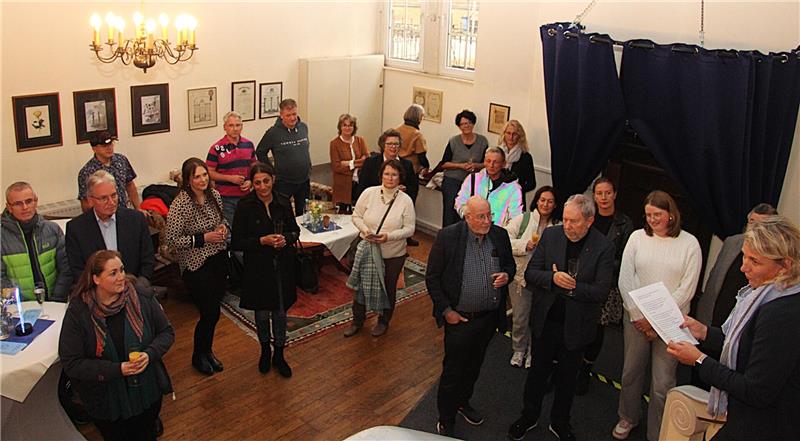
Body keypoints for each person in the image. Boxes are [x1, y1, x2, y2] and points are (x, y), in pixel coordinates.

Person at [667, 216, 800, 441]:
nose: (743, 267)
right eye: (744, 256)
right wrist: (704, 332)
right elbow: (745, 345)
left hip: (765, 427)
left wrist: (699, 360)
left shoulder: (782, 313)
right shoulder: (767, 294)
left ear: (785, 265)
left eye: (754, 261)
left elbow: (756, 391)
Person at [508, 194, 615, 441]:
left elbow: (601, 291)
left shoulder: (604, 247)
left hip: (577, 326)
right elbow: (533, 273)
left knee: (567, 379)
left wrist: (572, 287)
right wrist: (552, 279)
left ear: (590, 220)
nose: (567, 226)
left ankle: (560, 422)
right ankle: (529, 416)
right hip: (546, 321)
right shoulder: (551, 235)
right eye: (565, 219)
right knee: (537, 375)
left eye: (574, 221)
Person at [613, 190, 702, 441]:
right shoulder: (637, 238)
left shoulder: (690, 244)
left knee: (663, 382)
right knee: (631, 372)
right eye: (649, 215)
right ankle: (627, 416)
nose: (652, 219)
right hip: (636, 320)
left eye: (658, 215)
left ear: (671, 215)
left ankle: (659, 431)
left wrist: (657, 319)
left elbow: (687, 289)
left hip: (672, 324)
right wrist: (638, 314)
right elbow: (625, 278)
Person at [58, 250, 174, 441]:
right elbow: (72, 362)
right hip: (106, 402)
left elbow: (166, 333)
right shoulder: (79, 313)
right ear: (95, 279)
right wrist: (117, 369)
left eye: (121, 270)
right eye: (113, 273)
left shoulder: (141, 297)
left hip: (147, 394)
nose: (121, 277)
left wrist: (150, 354)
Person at [426, 196, 515, 437]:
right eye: (481, 216)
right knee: (453, 371)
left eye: (489, 215)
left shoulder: (500, 235)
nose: (487, 221)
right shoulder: (448, 237)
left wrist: (507, 275)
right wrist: (447, 312)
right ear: (467, 217)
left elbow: (510, 266)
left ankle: (463, 403)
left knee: (474, 367)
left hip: (487, 319)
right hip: (459, 321)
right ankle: (446, 417)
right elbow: (432, 278)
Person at [231, 162, 298, 378]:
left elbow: (295, 231)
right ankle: (264, 352)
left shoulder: (283, 202)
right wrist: (262, 241)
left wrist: (284, 239)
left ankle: (279, 353)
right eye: (257, 182)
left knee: (280, 311)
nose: (262, 187)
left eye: (266, 181)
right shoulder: (245, 205)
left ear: (273, 179)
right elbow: (238, 241)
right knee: (261, 313)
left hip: (282, 265)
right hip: (258, 267)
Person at [164, 158, 228, 376]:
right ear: (188, 180)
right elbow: (171, 240)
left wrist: (222, 229)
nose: (202, 180)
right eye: (197, 177)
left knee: (214, 312)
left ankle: (207, 351)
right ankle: (197, 356)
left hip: (218, 259)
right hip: (195, 265)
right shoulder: (180, 204)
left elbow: (223, 220)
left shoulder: (215, 196)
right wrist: (202, 238)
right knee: (209, 312)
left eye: (204, 175)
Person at [575, 177, 634, 395]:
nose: (603, 198)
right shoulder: (587, 217)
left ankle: (586, 370)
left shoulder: (624, 224)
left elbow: (626, 258)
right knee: (576, 321)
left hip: (606, 284)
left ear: (615, 194)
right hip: (580, 279)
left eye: (608, 193)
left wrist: (600, 263)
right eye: (599, 193)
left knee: (597, 328)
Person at [344, 159, 415, 338]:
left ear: (400, 177)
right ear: (381, 175)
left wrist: (388, 237)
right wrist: (366, 231)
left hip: (393, 254)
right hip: (367, 249)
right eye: (386, 174)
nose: (390, 178)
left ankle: (383, 321)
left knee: (388, 288)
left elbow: (409, 229)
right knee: (361, 286)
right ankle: (357, 321)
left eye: (394, 174)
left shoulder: (406, 201)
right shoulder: (369, 193)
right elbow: (357, 216)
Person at [503, 186, 558, 368]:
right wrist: (523, 245)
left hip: (543, 282)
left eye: (550, 201)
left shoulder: (558, 226)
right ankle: (519, 349)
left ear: (555, 204)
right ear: (536, 200)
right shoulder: (524, 219)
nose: (545, 204)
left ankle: (533, 352)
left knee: (538, 320)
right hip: (520, 279)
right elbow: (505, 239)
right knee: (520, 317)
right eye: (542, 200)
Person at [66, 170, 154, 285]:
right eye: (104, 198)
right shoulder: (76, 228)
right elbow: (78, 270)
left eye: (114, 195)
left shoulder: (136, 220)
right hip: (97, 294)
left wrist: (139, 286)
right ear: (91, 200)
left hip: (134, 288)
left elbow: (148, 260)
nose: (111, 202)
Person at [696, 203, 778, 327]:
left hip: (742, 320)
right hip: (713, 316)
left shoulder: (774, 257)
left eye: (762, 225)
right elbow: (714, 279)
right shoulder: (732, 242)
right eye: (752, 222)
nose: (755, 228)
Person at [2, 181, 71, 301]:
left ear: (36, 201)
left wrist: (57, 299)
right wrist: (22, 305)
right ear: (9, 207)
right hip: (18, 308)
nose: (25, 207)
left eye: (29, 201)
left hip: (55, 302)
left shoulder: (53, 230)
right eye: (18, 204)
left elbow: (66, 268)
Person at [255, 98, 311, 216]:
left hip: (304, 180)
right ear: (281, 115)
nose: (292, 118)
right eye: (288, 115)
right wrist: (271, 171)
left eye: (294, 114)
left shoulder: (303, 128)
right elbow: (260, 151)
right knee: (282, 213)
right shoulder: (273, 132)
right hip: (284, 182)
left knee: (304, 214)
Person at [439, 110, 489, 228]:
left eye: (469, 123)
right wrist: (460, 166)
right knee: (450, 212)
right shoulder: (453, 141)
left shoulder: (482, 141)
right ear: (459, 126)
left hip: (473, 182)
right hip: (452, 180)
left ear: (473, 124)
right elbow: (444, 164)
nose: (466, 126)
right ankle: (447, 239)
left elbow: (486, 163)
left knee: (469, 212)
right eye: (463, 124)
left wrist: (475, 166)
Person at [205, 111, 256, 225]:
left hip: (246, 196)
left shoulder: (249, 145)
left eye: (238, 125)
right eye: (231, 125)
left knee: (248, 226)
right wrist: (230, 178)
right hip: (226, 198)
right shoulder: (216, 148)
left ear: (242, 127)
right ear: (225, 127)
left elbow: (254, 167)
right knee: (231, 230)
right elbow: (209, 173)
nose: (235, 129)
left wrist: (251, 181)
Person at [454, 146, 522, 227]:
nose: (491, 165)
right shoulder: (473, 179)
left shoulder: (513, 188)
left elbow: (515, 216)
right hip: (471, 228)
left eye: (495, 162)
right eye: (488, 161)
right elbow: (460, 201)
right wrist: (469, 217)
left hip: (496, 232)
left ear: (503, 164)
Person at [77, 131, 142, 213]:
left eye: (111, 144)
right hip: (103, 216)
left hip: (123, 212)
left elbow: (130, 185)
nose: (109, 148)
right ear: (94, 149)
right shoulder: (87, 172)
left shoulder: (121, 160)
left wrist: (138, 209)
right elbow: (86, 201)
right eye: (104, 146)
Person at [357, 129, 419, 206]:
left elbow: (413, 189)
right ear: (383, 145)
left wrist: (404, 190)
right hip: (374, 205)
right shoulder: (370, 163)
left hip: (398, 206)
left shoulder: (407, 165)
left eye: (396, 144)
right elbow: (363, 187)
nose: (393, 147)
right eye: (389, 144)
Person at [329, 113, 369, 213]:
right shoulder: (334, 144)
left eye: (350, 125)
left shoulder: (360, 140)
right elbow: (336, 167)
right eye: (345, 125)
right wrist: (358, 163)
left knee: (359, 211)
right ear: (340, 127)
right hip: (343, 184)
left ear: (354, 127)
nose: (348, 128)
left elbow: (367, 159)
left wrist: (349, 163)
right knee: (343, 213)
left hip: (359, 181)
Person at [497, 120, 536, 208]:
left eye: (514, 134)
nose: (511, 137)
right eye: (508, 133)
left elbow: (532, 183)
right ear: (504, 134)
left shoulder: (525, 157)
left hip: (516, 200)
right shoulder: (497, 153)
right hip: (496, 197)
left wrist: (516, 189)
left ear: (520, 136)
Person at [395, 103, 430, 175]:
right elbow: (421, 155)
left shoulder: (396, 130)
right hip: (410, 168)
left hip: (395, 165)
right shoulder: (417, 135)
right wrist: (427, 167)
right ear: (419, 117)